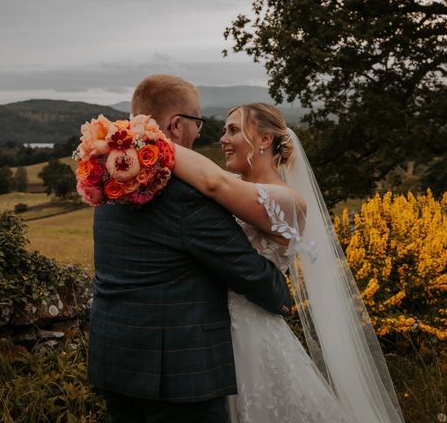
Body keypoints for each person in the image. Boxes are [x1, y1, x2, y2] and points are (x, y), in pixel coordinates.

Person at [172, 103, 406, 423]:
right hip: (213, 332)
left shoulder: (286, 200)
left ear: (265, 140)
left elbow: (214, 184)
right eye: (225, 130)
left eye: (233, 130)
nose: (223, 139)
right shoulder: (235, 185)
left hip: (251, 335)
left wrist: (147, 141)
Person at [87, 76, 294, 423]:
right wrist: (283, 299)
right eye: (197, 123)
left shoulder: (108, 183)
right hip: (177, 377)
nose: (201, 133)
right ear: (177, 125)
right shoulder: (185, 197)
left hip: (114, 360)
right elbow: (249, 272)